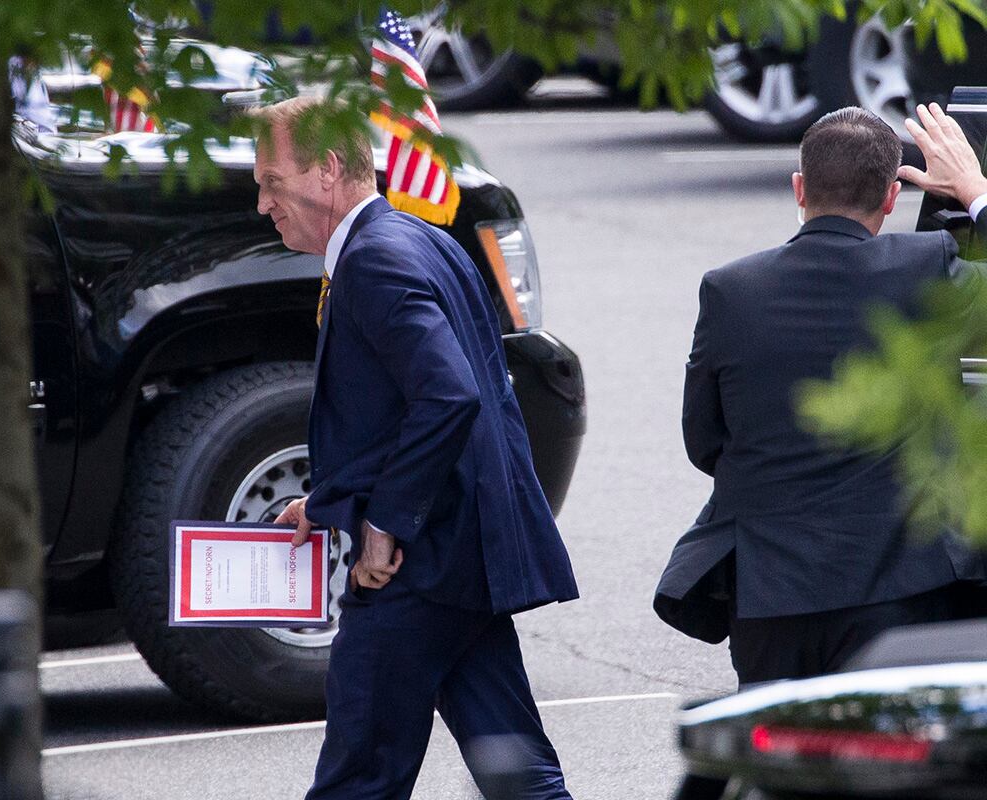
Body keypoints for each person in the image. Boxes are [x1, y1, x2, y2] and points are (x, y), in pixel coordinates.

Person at [250, 96, 579, 800]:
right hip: (467, 557)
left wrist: (385, 523)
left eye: (272, 182)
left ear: (329, 170)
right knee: (521, 776)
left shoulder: (374, 260)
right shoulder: (421, 240)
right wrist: (326, 502)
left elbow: (448, 395)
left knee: (358, 780)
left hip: (418, 566)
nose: (262, 203)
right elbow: (406, 411)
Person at [654, 103, 987, 693]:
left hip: (771, 598)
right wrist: (975, 192)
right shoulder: (929, 267)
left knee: (779, 770)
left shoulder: (731, 290)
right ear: (891, 197)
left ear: (799, 188)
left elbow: (703, 440)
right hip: (901, 590)